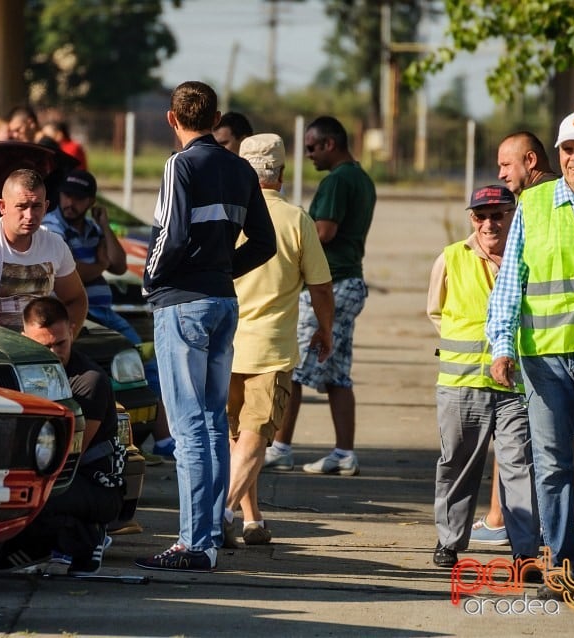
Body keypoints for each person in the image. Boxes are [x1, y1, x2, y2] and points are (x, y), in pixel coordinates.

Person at [135, 80, 276, 573]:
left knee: (188, 426)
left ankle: (193, 543)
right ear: (216, 119)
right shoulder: (239, 168)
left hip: (183, 305)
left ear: (172, 120)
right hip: (221, 301)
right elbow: (264, 242)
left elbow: (170, 235)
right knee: (214, 423)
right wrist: (222, 271)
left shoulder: (181, 164)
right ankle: (211, 532)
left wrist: (150, 279)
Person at [486, 109, 574, 601]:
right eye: (567, 150)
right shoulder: (535, 205)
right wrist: (501, 347)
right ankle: (561, 561)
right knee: (553, 461)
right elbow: (510, 282)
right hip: (544, 354)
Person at [223, 133, 334, 548]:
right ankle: (222, 511)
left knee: (237, 435)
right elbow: (321, 287)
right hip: (270, 349)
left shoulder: (228, 216)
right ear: (282, 174)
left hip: (224, 343)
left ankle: (252, 520)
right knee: (255, 435)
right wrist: (325, 329)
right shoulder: (296, 219)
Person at [426, 184, 541, 570]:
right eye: (481, 215)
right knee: (457, 463)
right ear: (471, 218)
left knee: (519, 465)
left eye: (499, 214)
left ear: (513, 216)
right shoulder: (451, 258)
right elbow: (436, 312)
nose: (489, 223)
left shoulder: (532, 259)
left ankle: (525, 549)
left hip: (516, 385)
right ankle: (448, 541)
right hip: (463, 385)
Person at [264, 116, 375, 476]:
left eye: (312, 147)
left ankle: (280, 446)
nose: (309, 154)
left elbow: (323, 231)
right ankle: (344, 452)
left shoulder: (337, 181)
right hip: (349, 282)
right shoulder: (361, 178)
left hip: (330, 285)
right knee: (337, 373)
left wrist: (293, 233)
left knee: (293, 366)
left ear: (330, 144)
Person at [0, 297, 125, 575]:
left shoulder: (88, 381)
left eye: (60, 343)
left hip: (92, 483)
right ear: (23, 338)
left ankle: (85, 538)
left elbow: (71, 455)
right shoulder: (21, 374)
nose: (54, 352)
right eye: (42, 345)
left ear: (72, 331)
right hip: (52, 474)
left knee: (30, 497)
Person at [41, 169, 177, 460]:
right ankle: (160, 438)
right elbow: (73, 272)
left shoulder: (90, 228)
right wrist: (99, 263)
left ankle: (160, 437)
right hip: (83, 315)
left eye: (79, 198)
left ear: (91, 201)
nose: (70, 203)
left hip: (104, 311)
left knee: (146, 366)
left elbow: (117, 264)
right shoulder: (52, 228)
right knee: (133, 364)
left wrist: (104, 227)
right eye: (67, 196)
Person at [470, 131, 561, 546]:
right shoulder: (544, 198)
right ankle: (512, 520)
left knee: (544, 445)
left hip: (553, 347)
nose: (501, 173)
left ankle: (532, 527)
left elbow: (516, 281)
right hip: (548, 343)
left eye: (506, 165)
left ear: (529, 159)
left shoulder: (542, 202)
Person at [0, 168, 88, 335]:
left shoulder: (54, 244)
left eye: (36, 206)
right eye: (22, 206)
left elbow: (76, 299)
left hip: (43, 353)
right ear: (2, 206)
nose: (29, 215)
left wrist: (65, 340)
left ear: (46, 207)